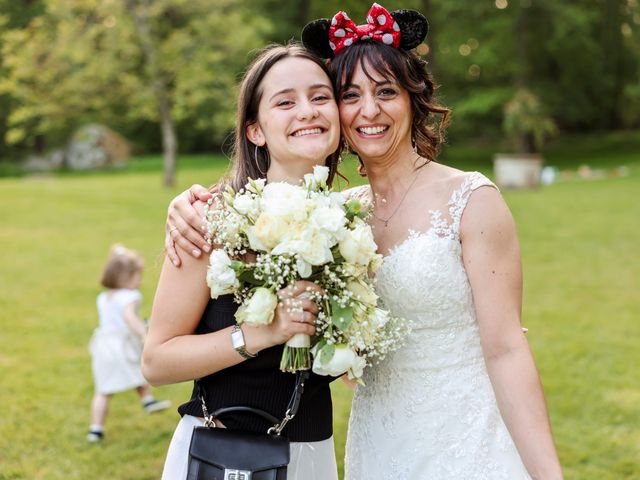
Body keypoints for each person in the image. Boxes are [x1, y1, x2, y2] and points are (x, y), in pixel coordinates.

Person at [164, 4, 563, 479]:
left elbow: (507, 349)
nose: (368, 111)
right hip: (377, 440)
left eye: (387, 92)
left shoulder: (471, 200)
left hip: (467, 435)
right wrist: (187, 205)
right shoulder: (329, 215)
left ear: (413, 99)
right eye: (350, 94)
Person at [142, 44, 342, 480]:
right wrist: (261, 333)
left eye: (321, 97)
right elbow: (156, 362)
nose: (307, 111)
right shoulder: (209, 219)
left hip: (312, 455)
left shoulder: (353, 221)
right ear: (255, 130)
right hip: (220, 455)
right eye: (285, 101)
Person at [87, 244, 170, 443]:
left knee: (103, 389)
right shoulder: (131, 296)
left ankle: (95, 429)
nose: (140, 281)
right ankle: (147, 400)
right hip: (122, 344)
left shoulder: (103, 297)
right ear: (126, 277)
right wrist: (144, 333)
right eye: (137, 276)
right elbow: (128, 318)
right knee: (137, 369)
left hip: (103, 345)